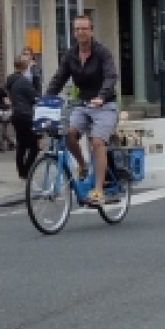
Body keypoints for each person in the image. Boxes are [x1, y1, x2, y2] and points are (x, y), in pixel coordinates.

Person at [46, 14, 119, 206]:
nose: (80, 33)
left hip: (105, 105)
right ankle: (82, 165)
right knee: (68, 134)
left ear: (91, 31)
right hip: (83, 104)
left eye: (84, 29)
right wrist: (45, 99)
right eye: (77, 29)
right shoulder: (71, 55)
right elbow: (59, 79)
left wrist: (102, 96)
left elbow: (111, 76)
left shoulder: (102, 52)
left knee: (97, 142)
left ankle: (98, 190)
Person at [6, 55, 40, 179]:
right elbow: (34, 97)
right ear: (25, 66)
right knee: (34, 147)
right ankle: (26, 171)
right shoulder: (24, 81)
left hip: (16, 114)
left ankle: (21, 172)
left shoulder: (10, 80)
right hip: (26, 115)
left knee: (21, 144)